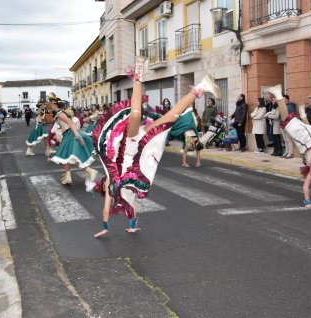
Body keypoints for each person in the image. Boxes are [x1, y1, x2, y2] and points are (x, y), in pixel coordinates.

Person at [91, 56, 220, 237]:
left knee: (136, 113)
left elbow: (107, 209)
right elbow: (131, 206)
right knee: (171, 116)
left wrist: (105, 228)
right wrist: (131, 226)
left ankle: (138, 71)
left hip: (127, 140)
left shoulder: (111, 177)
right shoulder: (124, 185)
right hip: (140, 143)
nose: (104, 183)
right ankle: (201, 87)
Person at [48, 94, 98, 187]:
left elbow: (71, 124)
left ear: (55, 105)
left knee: (73, 157)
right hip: (67, 135)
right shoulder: (58, 113)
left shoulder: (60, 113)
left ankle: (90, 171)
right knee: (65, 156)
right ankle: (68, 177)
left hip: (71, 134)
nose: (49, 105)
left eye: (50, 103)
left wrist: (78, 137)